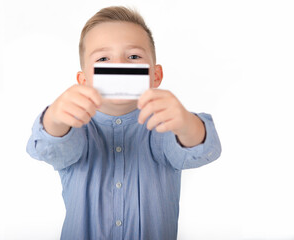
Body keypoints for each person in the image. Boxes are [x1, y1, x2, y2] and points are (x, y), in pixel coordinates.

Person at [26, 6, 221, 240]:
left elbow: (200, 149)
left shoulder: (166, 125)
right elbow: (52, 147)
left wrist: (188, 124)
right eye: (103, 58)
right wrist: (55, 117)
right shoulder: (76, 127)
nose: (119, 65)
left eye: (134, 57)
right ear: (84, 80)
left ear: (155, 75)